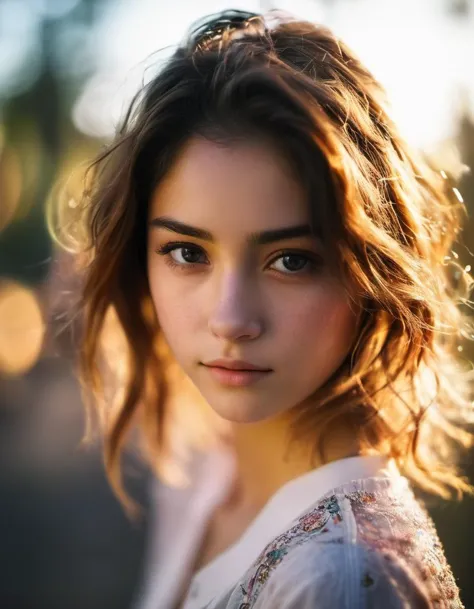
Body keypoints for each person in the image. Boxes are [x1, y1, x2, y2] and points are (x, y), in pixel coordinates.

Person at [53, 9, 474, 608]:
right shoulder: (205, 466)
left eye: (292, 260)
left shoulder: (340, 579)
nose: (229, 320)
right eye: (187, 251)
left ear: (371, 271)